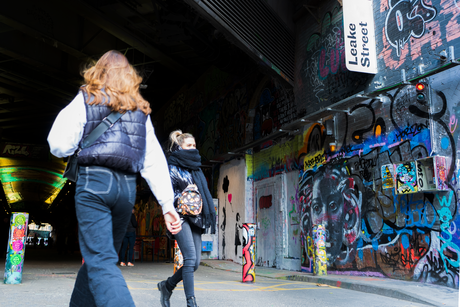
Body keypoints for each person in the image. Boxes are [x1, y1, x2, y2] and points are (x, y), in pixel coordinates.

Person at [47, 50, 182, 307]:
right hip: (125, 191)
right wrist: (167, 205)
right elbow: (153, 159)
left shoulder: (87, 98)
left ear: (99, 72)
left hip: (95, 185)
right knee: (100, 260)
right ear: (130, 76)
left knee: (101, 261)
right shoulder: (140, 110)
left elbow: (57, 144)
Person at [157, 130, 216, 307]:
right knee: (189, 258)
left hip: (196, 218)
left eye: (194, 146)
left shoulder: (196, 168)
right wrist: (184, 198)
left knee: (195, 263)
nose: (193, 149)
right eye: (189, 146)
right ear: (180, 147)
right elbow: (166, 193)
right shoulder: (172, 166)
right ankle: (191, 303)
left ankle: (167, 286)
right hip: (179, 216)